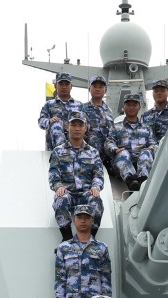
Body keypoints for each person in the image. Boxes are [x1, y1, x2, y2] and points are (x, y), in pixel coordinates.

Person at [54, 205, 112, 298]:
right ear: (74, 220)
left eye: (86, 217)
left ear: (92, 221)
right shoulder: (64, 248)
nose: (83, 220)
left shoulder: (101, 248)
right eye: (79, 217)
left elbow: (106, 278)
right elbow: (60, 278)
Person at [50, 110, 104, 241]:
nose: (77, 129)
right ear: (67, 127)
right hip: (68, 192)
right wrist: (58, 187)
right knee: (61, 200)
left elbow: (98, 173)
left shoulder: (93, 152)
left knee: (96, 201)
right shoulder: (58, 151)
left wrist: (96, 187)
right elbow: (53, 173)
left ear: (85, 128)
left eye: (80, 125)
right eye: (73, 125)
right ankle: (67, 238)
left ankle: (90, 239)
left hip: (86, 192)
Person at [105, 93, 156, 190]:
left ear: (139, 107)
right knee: (123, 153)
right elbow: (108, 143)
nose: (131, 108)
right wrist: (115, 149)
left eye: (134, 105)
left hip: (142, 164)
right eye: (128, 105)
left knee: (146, 152)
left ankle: (143, 179)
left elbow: (154, 144)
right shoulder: (116, 127)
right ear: (123, 107)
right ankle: (131, 181)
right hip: (123, 165)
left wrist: (149, 149)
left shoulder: (146, 128)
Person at [38, 72, 80, 151]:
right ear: (55, 86)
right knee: (56, 124)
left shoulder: (79, 105)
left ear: (71, 86)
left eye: (67, 84)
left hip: (75, 149)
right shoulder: (49, 104)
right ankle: (61, 152)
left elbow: (86, 124)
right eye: (61, 84)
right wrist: (50, 121)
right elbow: (41, 122)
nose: (64, 87)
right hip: (54, 149)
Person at [81, 75, 114, 156]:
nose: (97, 89)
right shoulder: (82, 108)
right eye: (95, 86)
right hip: (89, 149)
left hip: (107, 147)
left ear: (105, 90)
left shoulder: (109, 111)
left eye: (100, 87)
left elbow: (112, 132)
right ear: (89, 89)